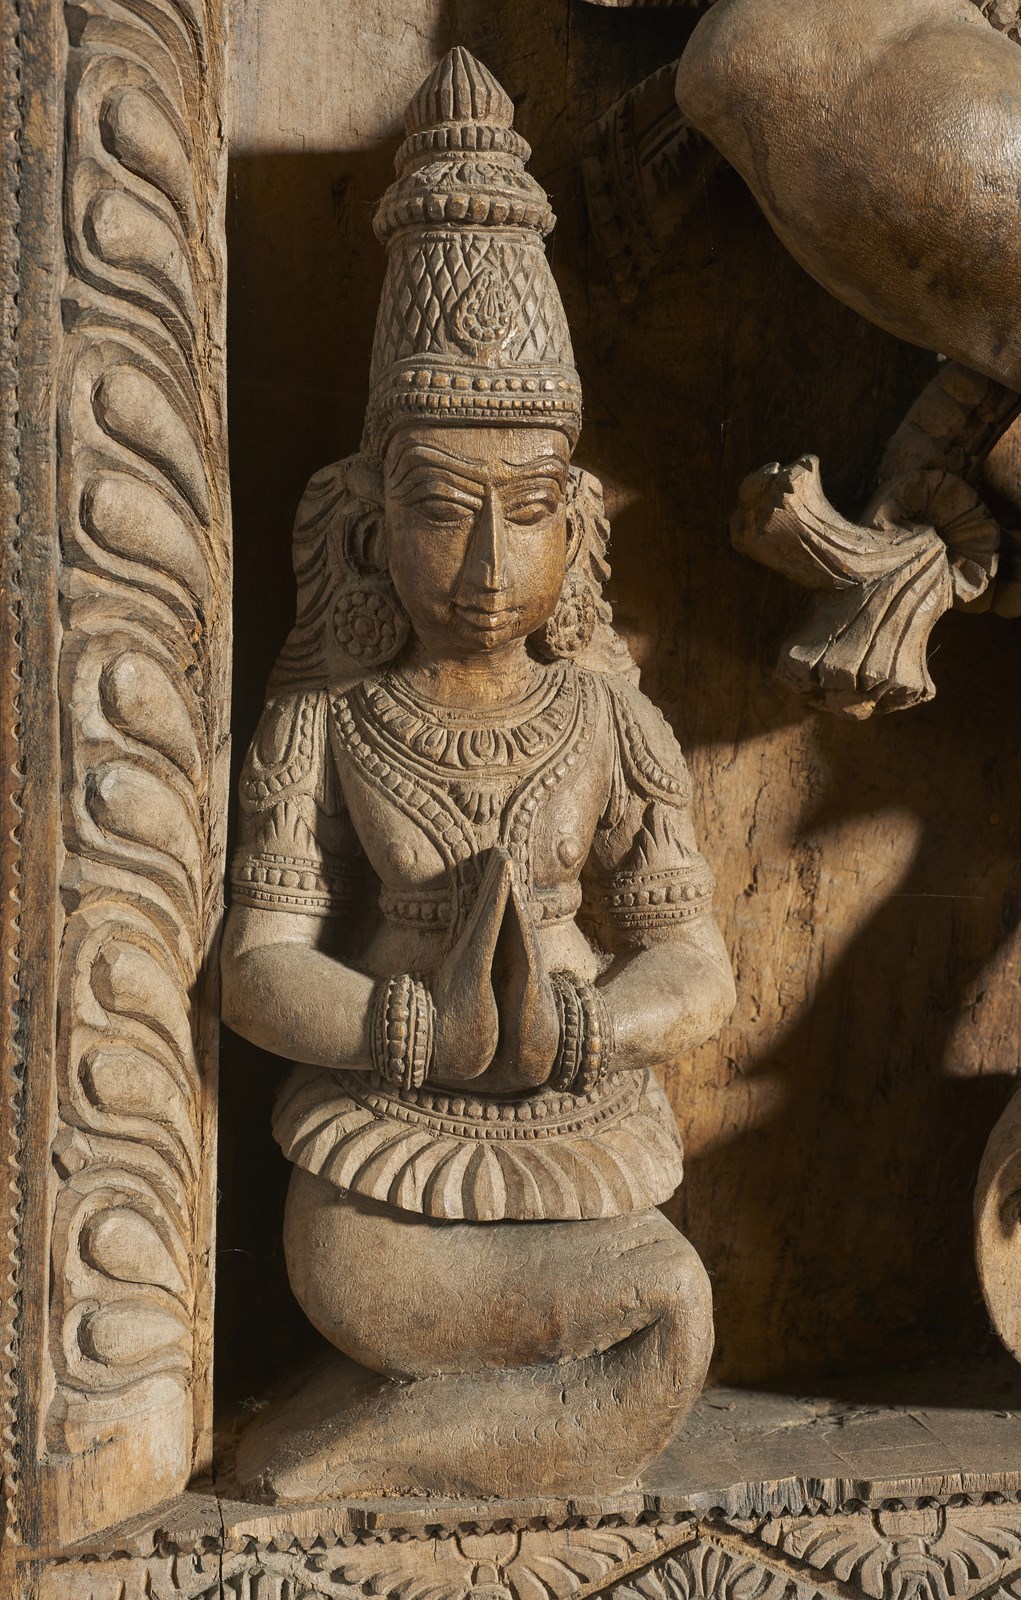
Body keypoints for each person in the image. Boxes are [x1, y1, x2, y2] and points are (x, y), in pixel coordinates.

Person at [222, 47, 735, 1503]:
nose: (487, 564)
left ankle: (400, 1445)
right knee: (356, 1280)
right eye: (444, 511)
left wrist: (586, 1028)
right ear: (370, 522)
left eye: (528, 511)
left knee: (670, 1307)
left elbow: (697, 964)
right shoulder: (326, 721)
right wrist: (403, 1028)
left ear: (579, 523)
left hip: (584, 1139)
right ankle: (417, 1426)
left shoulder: (609, 719)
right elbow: (255, 968)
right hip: (383, 1151)